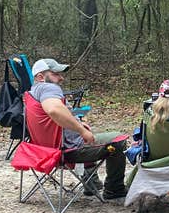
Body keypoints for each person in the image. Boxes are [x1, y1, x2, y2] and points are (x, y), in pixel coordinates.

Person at [29, 58, 127, 200]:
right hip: (68, 151)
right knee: (118, 139)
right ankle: (114, 189)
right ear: (40, 77)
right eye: (56, 74)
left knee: (90, 137)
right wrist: (81, 130)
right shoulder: (48, 88)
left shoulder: (32, 92)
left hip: (44, 150)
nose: (61, 78)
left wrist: (78, 123)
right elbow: (54, 110)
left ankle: (91, 183)